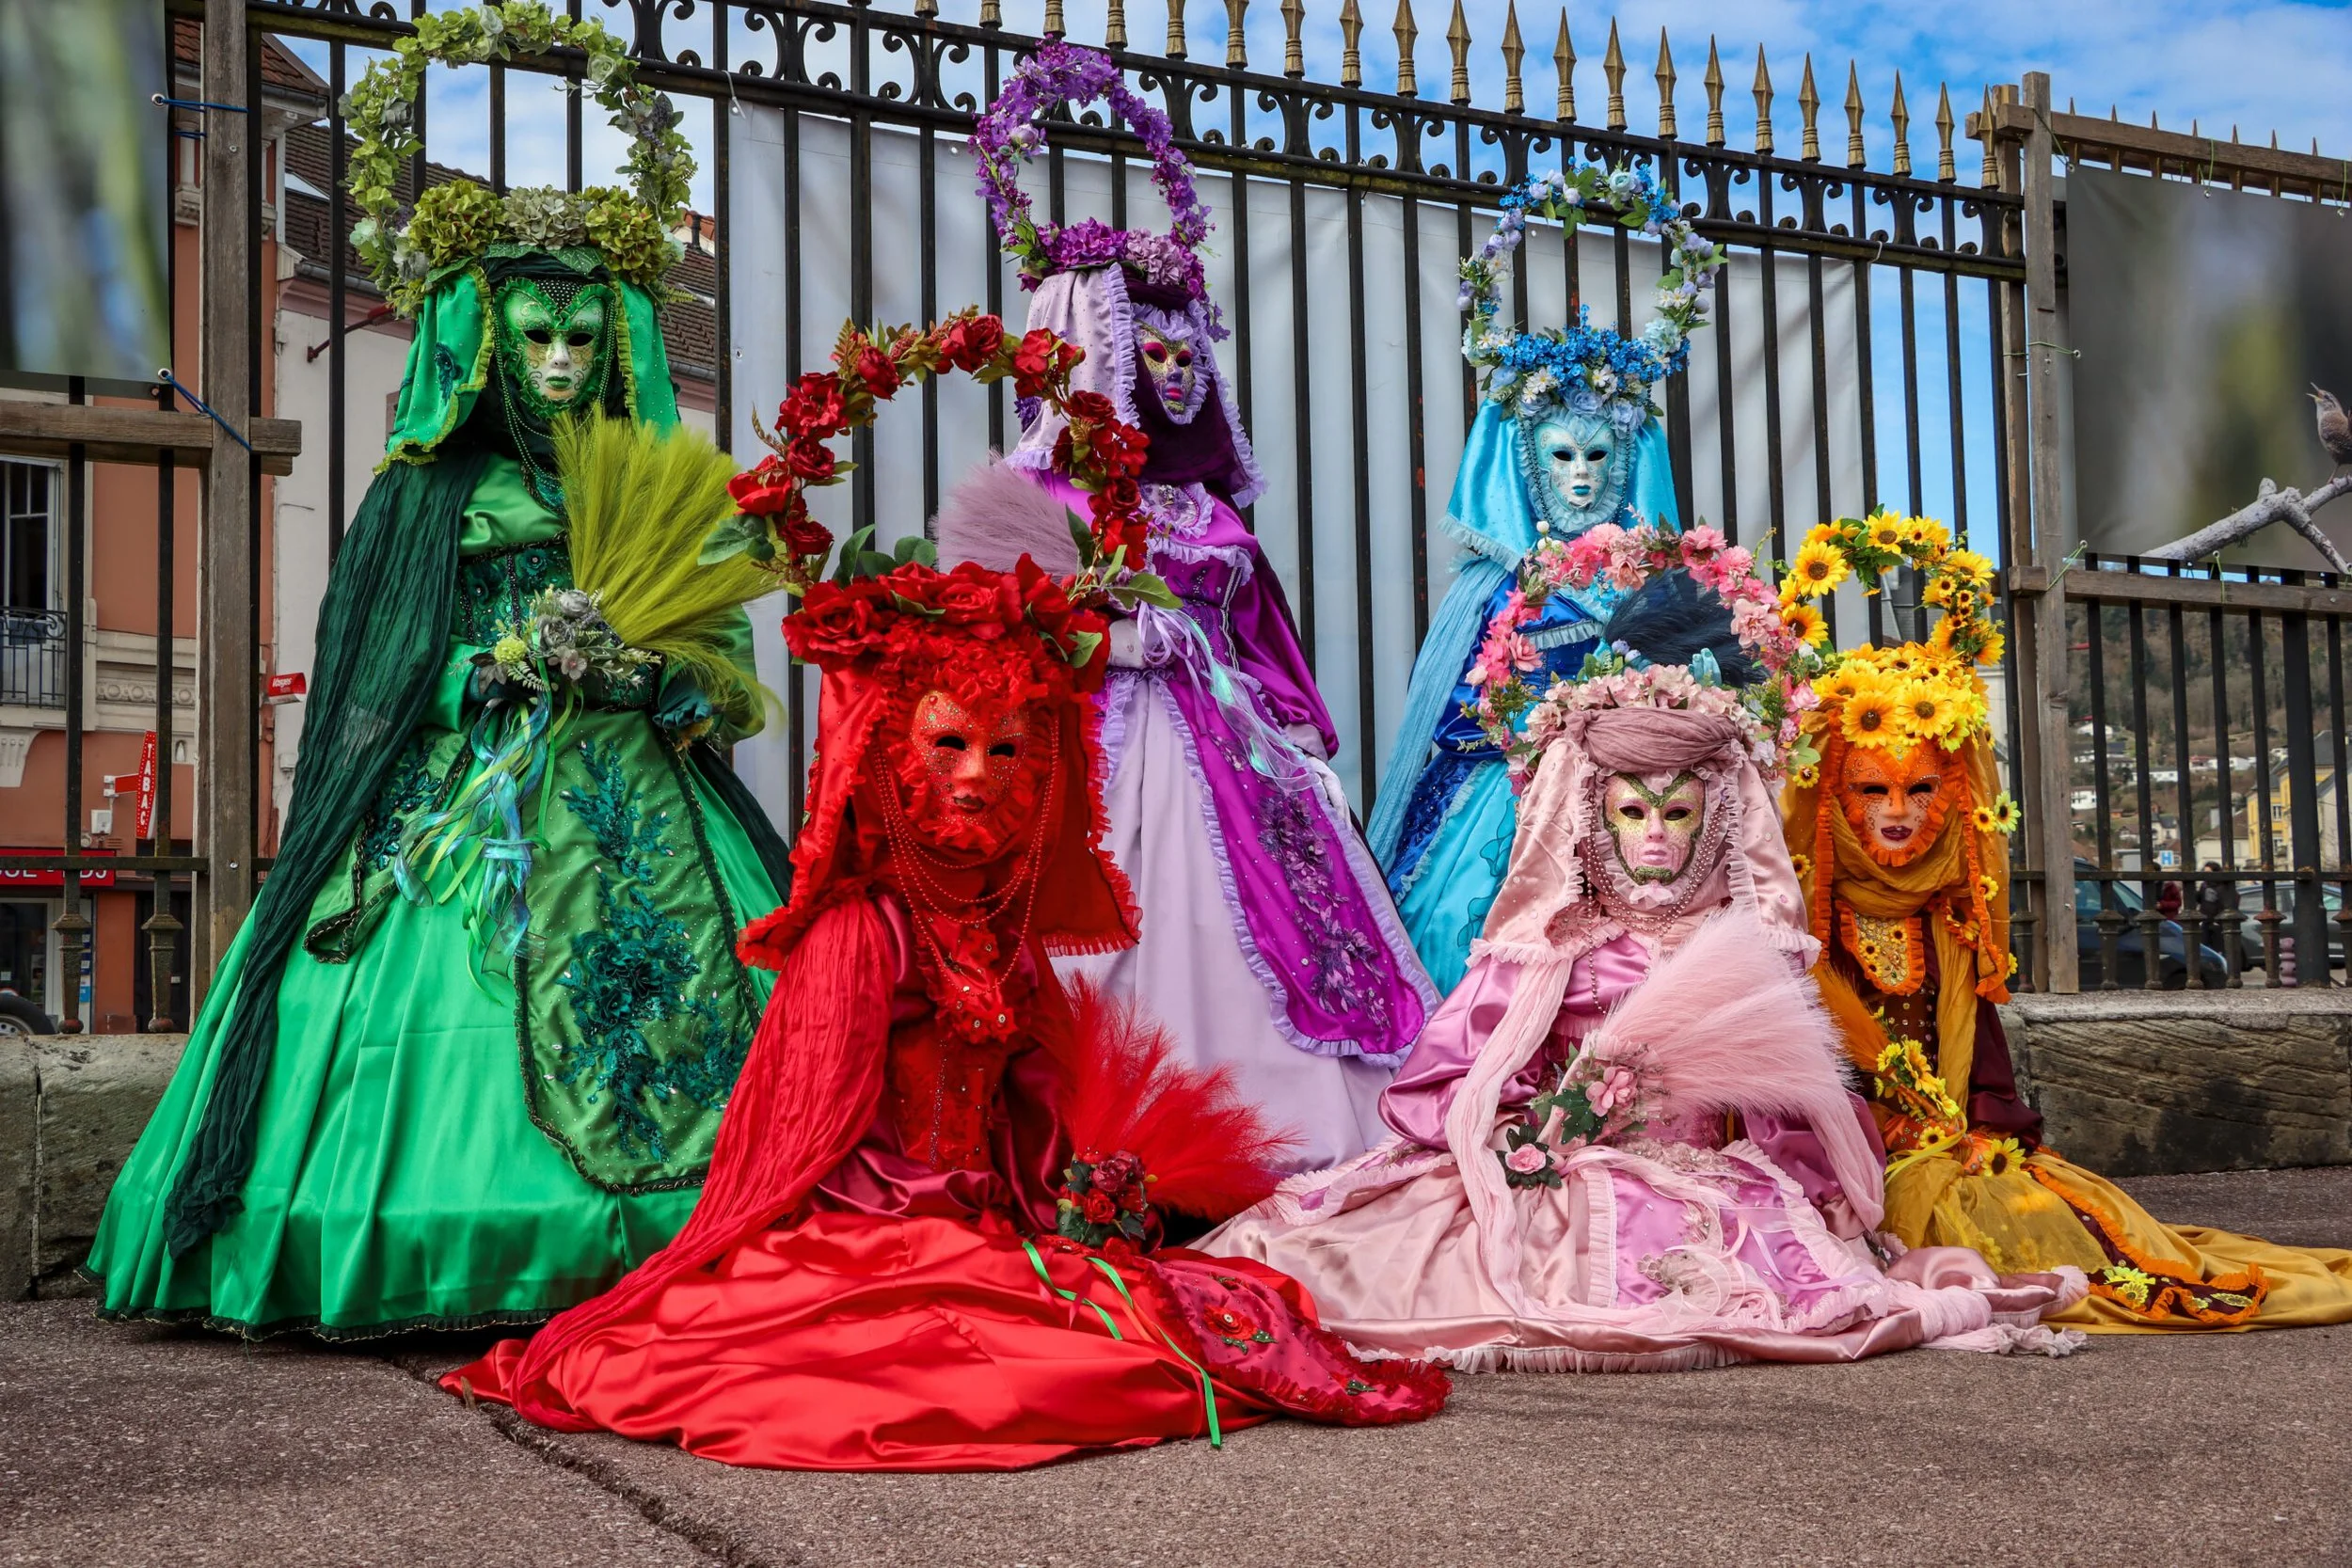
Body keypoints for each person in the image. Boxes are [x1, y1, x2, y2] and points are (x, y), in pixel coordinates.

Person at [86, 24, 791, 1338]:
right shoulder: (422, 497)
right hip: (460, 797)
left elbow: (721, 660)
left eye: (583, 338)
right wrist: (483, 671)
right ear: (487, 341)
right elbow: (368, 665)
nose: (562, 364)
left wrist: (660, 672)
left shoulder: (650, 485)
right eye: (537, 337)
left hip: (634, 789)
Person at [443, 547, 1447, 1468]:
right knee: (1014, 1369)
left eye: (1005, 751)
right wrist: (929, 1223)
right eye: (949, 743)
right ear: (890, 748)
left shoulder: (997, 922)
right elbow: (803, 1141)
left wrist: (1071, 1200)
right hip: (867, 1238)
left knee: (1128, 1320)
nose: (974, 776)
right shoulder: (863, 929)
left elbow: (1028, 1110)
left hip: (977, 1225)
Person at [1203, 560, 2085, 1370]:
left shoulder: (1735, 954)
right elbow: (1449, 1080)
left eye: (1678, 811)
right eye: (1633, 812)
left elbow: (1795, 1120)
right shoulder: (1554, 952)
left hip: (1700, 1182)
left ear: (1717, 817)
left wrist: (1802, 1178)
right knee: (1395, 1249)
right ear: (1594, 818)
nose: (1656, 835)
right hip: (1555, 1172)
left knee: (1756, 1259)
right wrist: (1533, 1124)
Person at [953, 41, 1436, 1168]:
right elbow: (1000, 639)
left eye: (1186, 357)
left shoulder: (1210, 507)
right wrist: (1117, 641)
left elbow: (1261, 635)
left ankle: (1288, 1126)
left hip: (1240, 751)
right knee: (1128, 921)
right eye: (1150, 353)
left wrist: (1297, 733)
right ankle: (1120, 1138)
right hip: (1112, 753)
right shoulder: (1043, 494)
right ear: (1097, 356)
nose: (1173, 374)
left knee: (1284, 926)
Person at [1781, 514, 2352, 1331]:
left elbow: (1982, 1064)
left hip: (1951, 1147)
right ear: (1836, 792)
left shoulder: (1950, 917)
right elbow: (1792, 1079)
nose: (1898, 811)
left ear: (1953, 792)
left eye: (1919, 789)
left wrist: (1978, 1130)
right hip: (1848, 1164)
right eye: (1874, 790)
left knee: (2050, 1217)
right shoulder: (1811, 924)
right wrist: (1881, 1131)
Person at [1365, 165, 1718, 995]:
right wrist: (1545, 731)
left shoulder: (1650, 586)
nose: (1582, 477)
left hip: (1637, 804)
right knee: (1466, 933)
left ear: (1626, 461)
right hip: (1507, 797)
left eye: (1599, 456)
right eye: (1562, 456)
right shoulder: (1496, 591)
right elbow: (1459, 715)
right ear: (1527, 463)